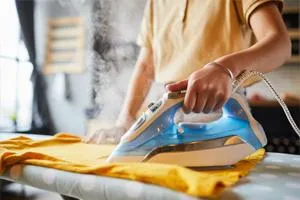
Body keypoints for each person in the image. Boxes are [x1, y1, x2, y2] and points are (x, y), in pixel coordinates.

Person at [84, 0, 291, 144]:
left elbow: (280, 44)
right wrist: (125, 121)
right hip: (165, 104)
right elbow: (146, 66)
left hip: (221, 105)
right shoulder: (156, 3)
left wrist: (224, 68)